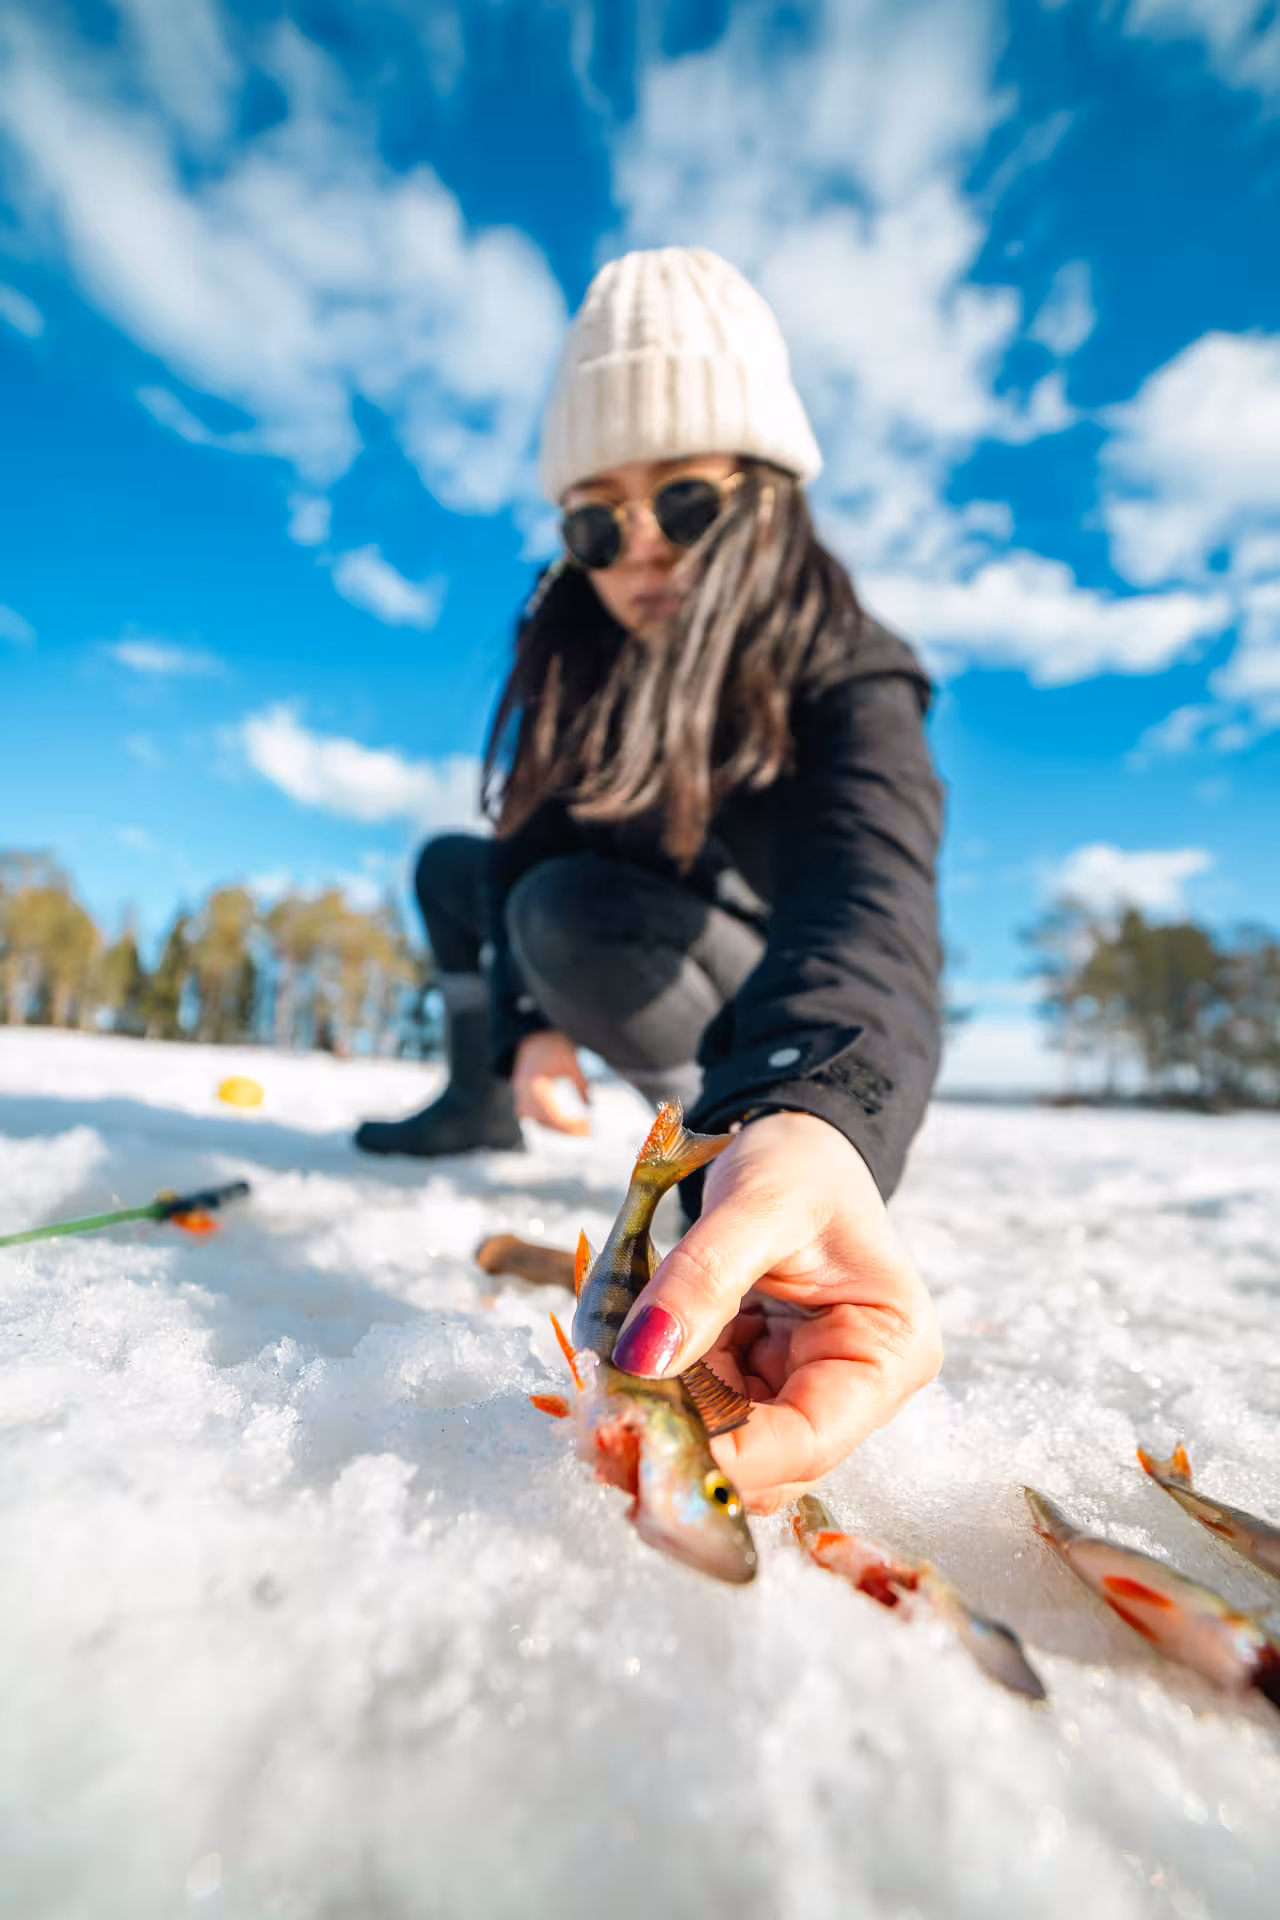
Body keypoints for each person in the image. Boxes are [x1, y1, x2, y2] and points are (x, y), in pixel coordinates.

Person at [356, 247, 944, 1512]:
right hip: (601, 925)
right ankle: (475, 1097)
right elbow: (515, 843)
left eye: (682, 500)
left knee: (565, 915)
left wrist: (807, 1114)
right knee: (467, 873)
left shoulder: (847, 672)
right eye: (593, 519)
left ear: (765, 492)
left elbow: (869, 902)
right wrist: (520, 1030)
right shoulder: (583, 649)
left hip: (762, 997)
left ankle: (722, 1157)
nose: (638, 550)